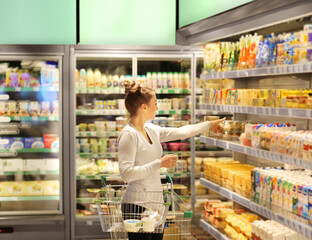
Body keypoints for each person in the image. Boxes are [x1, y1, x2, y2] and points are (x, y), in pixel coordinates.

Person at [118, 81, 225, 240]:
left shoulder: (151, 129)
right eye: (155, 104)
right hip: (137, 205)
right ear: (144, 107)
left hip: (156, 204)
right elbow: (126, 174)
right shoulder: (129, 135)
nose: (157, 108)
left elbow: (181, 132)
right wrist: (159, 163)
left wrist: (208, 125)